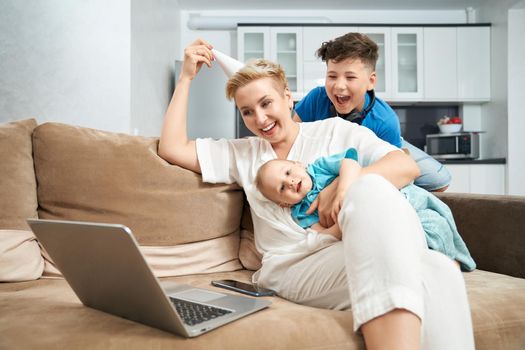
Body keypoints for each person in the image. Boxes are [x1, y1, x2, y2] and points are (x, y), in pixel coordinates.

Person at [158, 38, 474, 350]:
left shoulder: (336, 131)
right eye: (247, 112)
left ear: (287, 98)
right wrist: (186, 78)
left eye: (266, 103)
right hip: (294, 264)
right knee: (418, 265)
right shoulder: (242, 153)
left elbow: (404, 165)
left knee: (439, 269)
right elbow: (171, 148)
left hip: (348, 247)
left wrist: (344, 184)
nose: (261, 119)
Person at [254, 149, 476, 271]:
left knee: (432, 224)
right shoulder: (300, 213)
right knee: (407, 244)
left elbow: (350, 162)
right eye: (282, 188)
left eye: (287, 173)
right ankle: (439, 266)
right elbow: (322, 234)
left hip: (400, 198)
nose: (290, 182)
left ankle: (449, 260)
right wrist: (343, 225)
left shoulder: (319, 167)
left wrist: (342, 190)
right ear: (284, 203)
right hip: (372, 222)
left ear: (298, 164)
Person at [294, 32, 451, 198]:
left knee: (440, 181)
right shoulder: (316, 98)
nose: (339, 86)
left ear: (371, 81)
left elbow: (391, 169)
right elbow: (293, 135)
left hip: (382, 145)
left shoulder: (385, 121)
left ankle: (402, 146)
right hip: (336, 153)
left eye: (350, 77)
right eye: (332, 76)